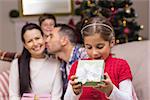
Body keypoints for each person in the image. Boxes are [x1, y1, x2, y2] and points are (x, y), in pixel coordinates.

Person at [64, 16, 137, 100]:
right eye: (89, 47)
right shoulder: (77, 66)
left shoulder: (120, 65)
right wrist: (75, 92)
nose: (94, 53)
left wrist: (111, 90)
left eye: (99, 47)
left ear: (112, 42)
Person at [9, 23, 62, 100]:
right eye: (30, 41)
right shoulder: (16, 64)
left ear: (44, 38)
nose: (35, 43)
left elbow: (56, 97)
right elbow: (13, 95)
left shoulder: (55, 64)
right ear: (25, 45)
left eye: (37, 38)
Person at [45, 24, 88, 98]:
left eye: (51, 36)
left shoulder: (84, 56)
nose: (46, 40)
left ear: (64, 41)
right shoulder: (63, 64)